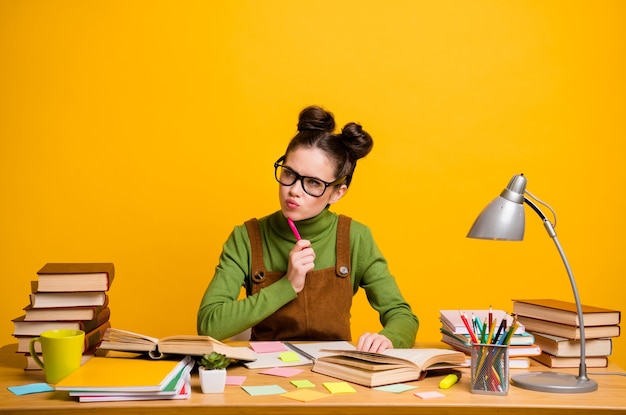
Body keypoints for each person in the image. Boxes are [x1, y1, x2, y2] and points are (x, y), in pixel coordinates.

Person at [197, 105, 418, 352]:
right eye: (289, 173)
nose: (294, 190)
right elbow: (209, 325)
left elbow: (403, 316)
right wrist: (287, 285)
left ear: (337, 193)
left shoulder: (356, 237)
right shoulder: (246, 237)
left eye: (313, 183)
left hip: (335, 372)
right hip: (261, 374)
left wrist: (388, 338)